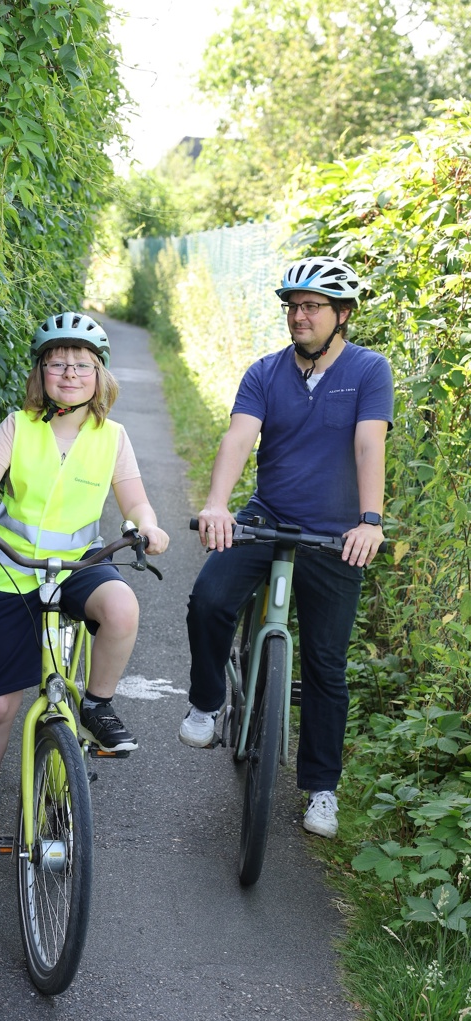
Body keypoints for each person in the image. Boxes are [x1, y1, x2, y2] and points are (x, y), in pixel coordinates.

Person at [0, 311, 169, 871]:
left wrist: (147, 526)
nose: (69, 374)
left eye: (81, 365)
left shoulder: (113, 437)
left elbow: (135, 499)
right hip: (14, 570)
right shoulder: (18, 426)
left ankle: (98, 705)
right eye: (57, 364)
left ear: (99, 375)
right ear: (41, 373)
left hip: (78, 566)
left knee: (122, 607)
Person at [179, 256, 394, 839]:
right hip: (267, 517)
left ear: (342, 314)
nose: (299, 316)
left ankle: (322, 790)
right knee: (209, 599)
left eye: (312, 307)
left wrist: (370, 521)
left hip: (336, 533)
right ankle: (207, 702)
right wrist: (218, 504)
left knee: (326, 664)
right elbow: (238, 438)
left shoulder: (369, 370)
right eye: (293, 306)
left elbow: (369, 445)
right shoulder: (265, 372)